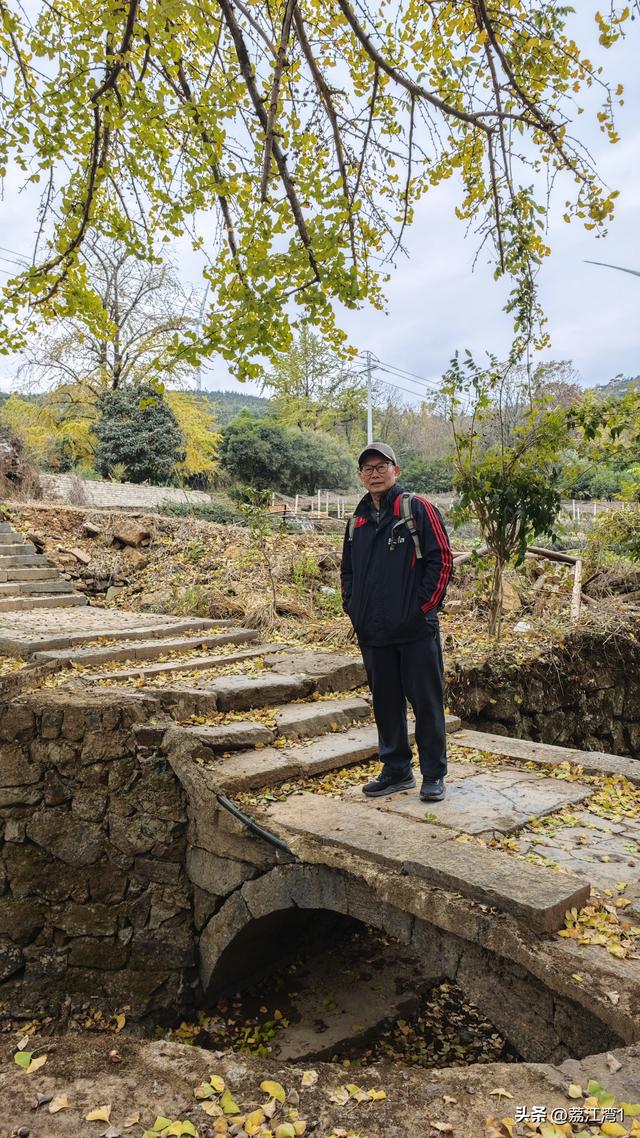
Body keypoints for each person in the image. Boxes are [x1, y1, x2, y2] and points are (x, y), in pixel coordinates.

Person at [340, 442, 453, 801]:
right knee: (385, 702)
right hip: (373, 631)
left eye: (381, 466)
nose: (374, 473)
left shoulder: (416, 509)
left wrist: (423, 608)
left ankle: (433, 773)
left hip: (415, 630)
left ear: (396, 470)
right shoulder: (356, 520)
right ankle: (396, 769)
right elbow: (348, 571)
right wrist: (353, 607)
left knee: (426, 703)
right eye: (367, 468)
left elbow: (442, 561)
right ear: (360, 476)